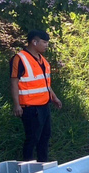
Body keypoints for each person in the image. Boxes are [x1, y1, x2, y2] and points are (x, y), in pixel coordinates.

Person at [10, 30, 62, 162]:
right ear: (34, 42)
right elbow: (14, 83)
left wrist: (53, 97)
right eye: (44, 42)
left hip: (44, 105)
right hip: (30, 108)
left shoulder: (42, 60)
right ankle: (27, 166)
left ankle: (43, 164)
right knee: (32, 138)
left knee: (45, 136)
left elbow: (44, 83)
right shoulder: (19, 59)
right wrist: (17, 105)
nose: (46, 45)